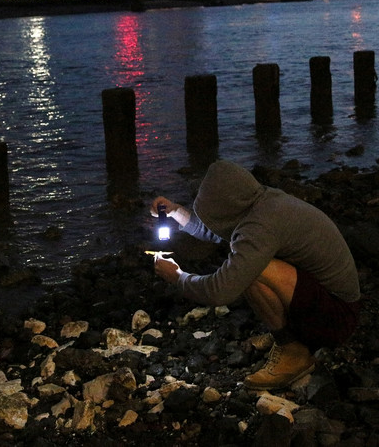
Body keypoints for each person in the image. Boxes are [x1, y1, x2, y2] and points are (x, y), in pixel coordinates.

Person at [150, 159, 360, 390]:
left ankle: (293, 350)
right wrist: (176, 212)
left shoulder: (261, 228)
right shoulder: (263, 201)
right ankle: (291, 330)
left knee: (251, 271)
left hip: (336, 318)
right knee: (249, 263)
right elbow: (220, 232)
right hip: (324, 299)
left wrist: (177, 276)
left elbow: (220, 290)